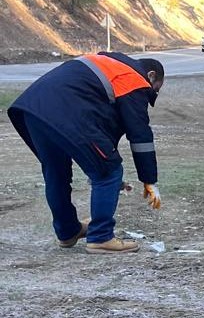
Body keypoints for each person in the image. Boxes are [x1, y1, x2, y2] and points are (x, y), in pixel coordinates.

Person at [7, 52, 165, 254]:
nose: (152, 94)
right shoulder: (133, 79)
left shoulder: (109, 64)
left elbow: (105, 128)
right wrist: (149, 181)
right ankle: (101, 237)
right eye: (155, 89)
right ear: (151, 76)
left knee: (57, 173)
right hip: (66, 113)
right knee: (109, 172)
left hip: (32, 110)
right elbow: (140, 135)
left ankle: (68, 231)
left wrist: (100, 163)